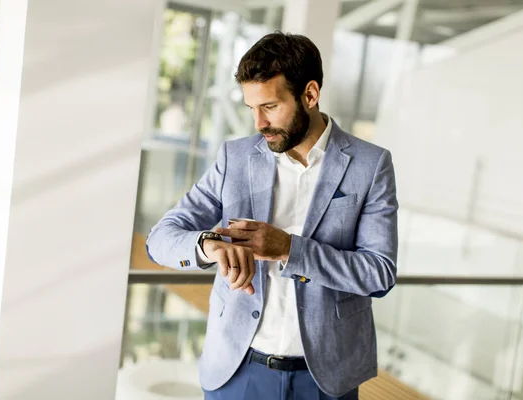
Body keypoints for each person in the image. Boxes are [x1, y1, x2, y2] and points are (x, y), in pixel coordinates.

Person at [146, 31, 398, 400]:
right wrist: (209, 245)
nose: (258, 124)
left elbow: (379, 274)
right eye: (251, 108)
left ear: (310, 95)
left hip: (325, 379)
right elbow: (160, 238)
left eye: (269, 107)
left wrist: (288, 249)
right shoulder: (235, 157)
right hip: (236, 370)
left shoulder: (370, 165)